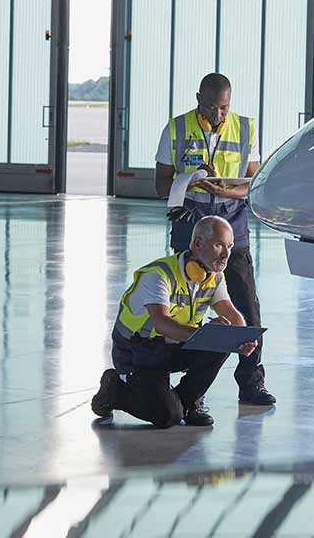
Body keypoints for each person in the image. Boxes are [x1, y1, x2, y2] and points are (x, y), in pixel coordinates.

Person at [153, 73, 276, 406]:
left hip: (231, 228)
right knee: (185, 312)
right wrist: (189, 181)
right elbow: (160, 185)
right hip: (191, 228)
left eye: (224, 107)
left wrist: (227, 192)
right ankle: (192, 393)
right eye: (210, 107)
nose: (217, 114)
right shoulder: (176, 129)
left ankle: (251, 384)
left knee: (247, 308)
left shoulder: (245, 129)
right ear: (198, 99)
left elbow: (254, 184)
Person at [90, 216, 258, 428]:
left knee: (221, 340)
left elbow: (231, 313)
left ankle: (188, 403)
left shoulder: (214, 276)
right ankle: (114, 389)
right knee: (167, 417)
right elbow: (162, 323)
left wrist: (241, 338)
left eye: (230, 247)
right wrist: (208, 334)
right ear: (198, 244)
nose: (226, 254)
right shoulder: (158, 275)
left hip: (171, 347)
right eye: (219, 245)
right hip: (138, 353)